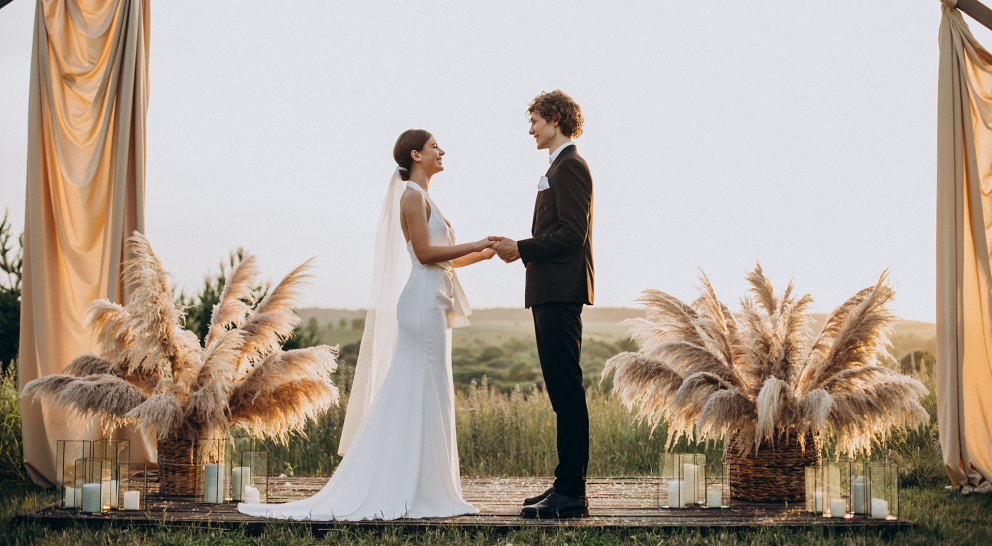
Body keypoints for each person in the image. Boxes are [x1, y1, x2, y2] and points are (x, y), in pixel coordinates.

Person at [238, 129, 495, 521]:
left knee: (429, 391)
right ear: (416, 154)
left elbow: (445, 259)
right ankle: (413, 487)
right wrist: (474, 243)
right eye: (434, 146)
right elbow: (425, 254)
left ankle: (429, 485)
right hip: (423, 303)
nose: (442, 151)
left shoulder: (426, 198)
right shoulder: (411, 196)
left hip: (434, 303)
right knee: (422, 388)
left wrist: (486, 253)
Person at [490, 90, 594, 519]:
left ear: (555, 119)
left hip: (560, 291)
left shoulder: (570, 167)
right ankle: (564, 484)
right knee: (560, 392)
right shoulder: (557, 166)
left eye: (534, 120)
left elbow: (573, 233)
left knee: (566, 392)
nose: (530, 129)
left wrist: (522, 248)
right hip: (550, 290)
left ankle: (571, 493)